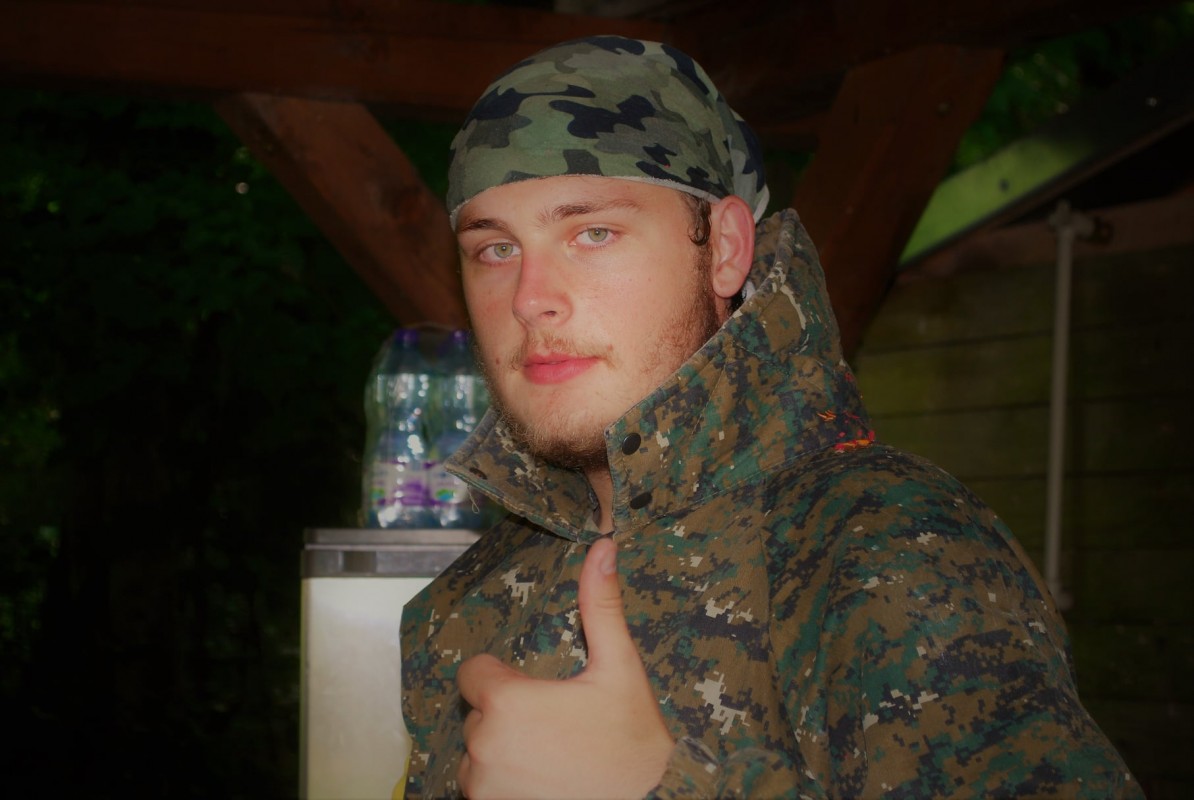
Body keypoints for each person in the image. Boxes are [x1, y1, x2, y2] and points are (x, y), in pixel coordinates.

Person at [399, 35, 1140, 799]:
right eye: (495, 250)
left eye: (593, 233)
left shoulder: (887, 545)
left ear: (725, 248)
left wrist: (660, 787)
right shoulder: (459, 604)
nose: (530, 299)